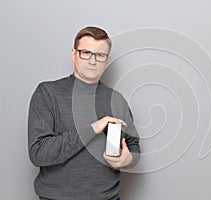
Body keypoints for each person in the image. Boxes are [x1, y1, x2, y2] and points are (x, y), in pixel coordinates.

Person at [28, 26, 140, 200]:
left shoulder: (116, 99)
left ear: (107, 60)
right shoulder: (47, 93)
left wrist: (128, 160)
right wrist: (94, 128)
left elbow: (133, 147)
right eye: (86, 52)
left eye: (100, 55)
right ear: (74, 54)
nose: (93, 61)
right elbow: (39, 154)